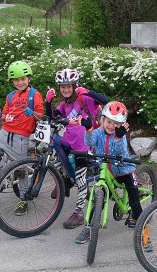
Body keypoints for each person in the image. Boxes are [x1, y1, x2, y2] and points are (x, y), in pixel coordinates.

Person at [45, 69, 108, 229]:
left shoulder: (84, 98)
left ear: (75, 86)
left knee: (81, 182)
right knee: (54, 149)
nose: (66, 90)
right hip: (68, 141)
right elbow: (52, 117)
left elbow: (104, 100)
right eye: (62, 87)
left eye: (69, 87)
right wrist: (47, 103)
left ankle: (79, 213)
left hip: (83, 145)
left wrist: (88, 92)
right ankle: (64, 179)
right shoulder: (64, 103)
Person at [75, 101, 142, 244]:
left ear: (121, 125)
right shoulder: (98, 132)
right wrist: (88, 130)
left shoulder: (120, 134)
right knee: (97, 199)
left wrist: (118, 138)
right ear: (103, 120)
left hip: (124, 171)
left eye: (116, 123)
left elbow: (120, 151)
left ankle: (143, 229)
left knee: (134, 200)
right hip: (106, 171)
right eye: (108, 122)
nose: (111, 126)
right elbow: (89, 142)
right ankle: (88, 228)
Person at [0, 61, 45, 216]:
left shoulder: (34, 94)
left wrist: (33, 114)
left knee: (20, 169)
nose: (20, 82)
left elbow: (41, 115)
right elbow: (6, 115)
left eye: (23, 79)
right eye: (16, 80)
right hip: (5, 131)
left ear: (29, 78)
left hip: (21, 136)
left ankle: (24, 198)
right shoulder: (10, 96)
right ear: (13, 81)